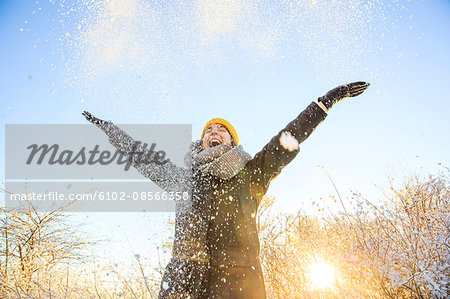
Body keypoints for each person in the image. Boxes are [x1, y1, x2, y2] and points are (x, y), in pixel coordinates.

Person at [82, 81, 370, 298]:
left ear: (232, 142)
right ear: (201, 141)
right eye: (208, 130)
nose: (213, 133)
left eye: (222, 130)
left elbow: (288, 138)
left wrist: (325, 103)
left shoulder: (251, 174)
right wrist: (111, 131)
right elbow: (144, 159)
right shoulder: (185, 181)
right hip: (183, 286)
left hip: (239, 286)